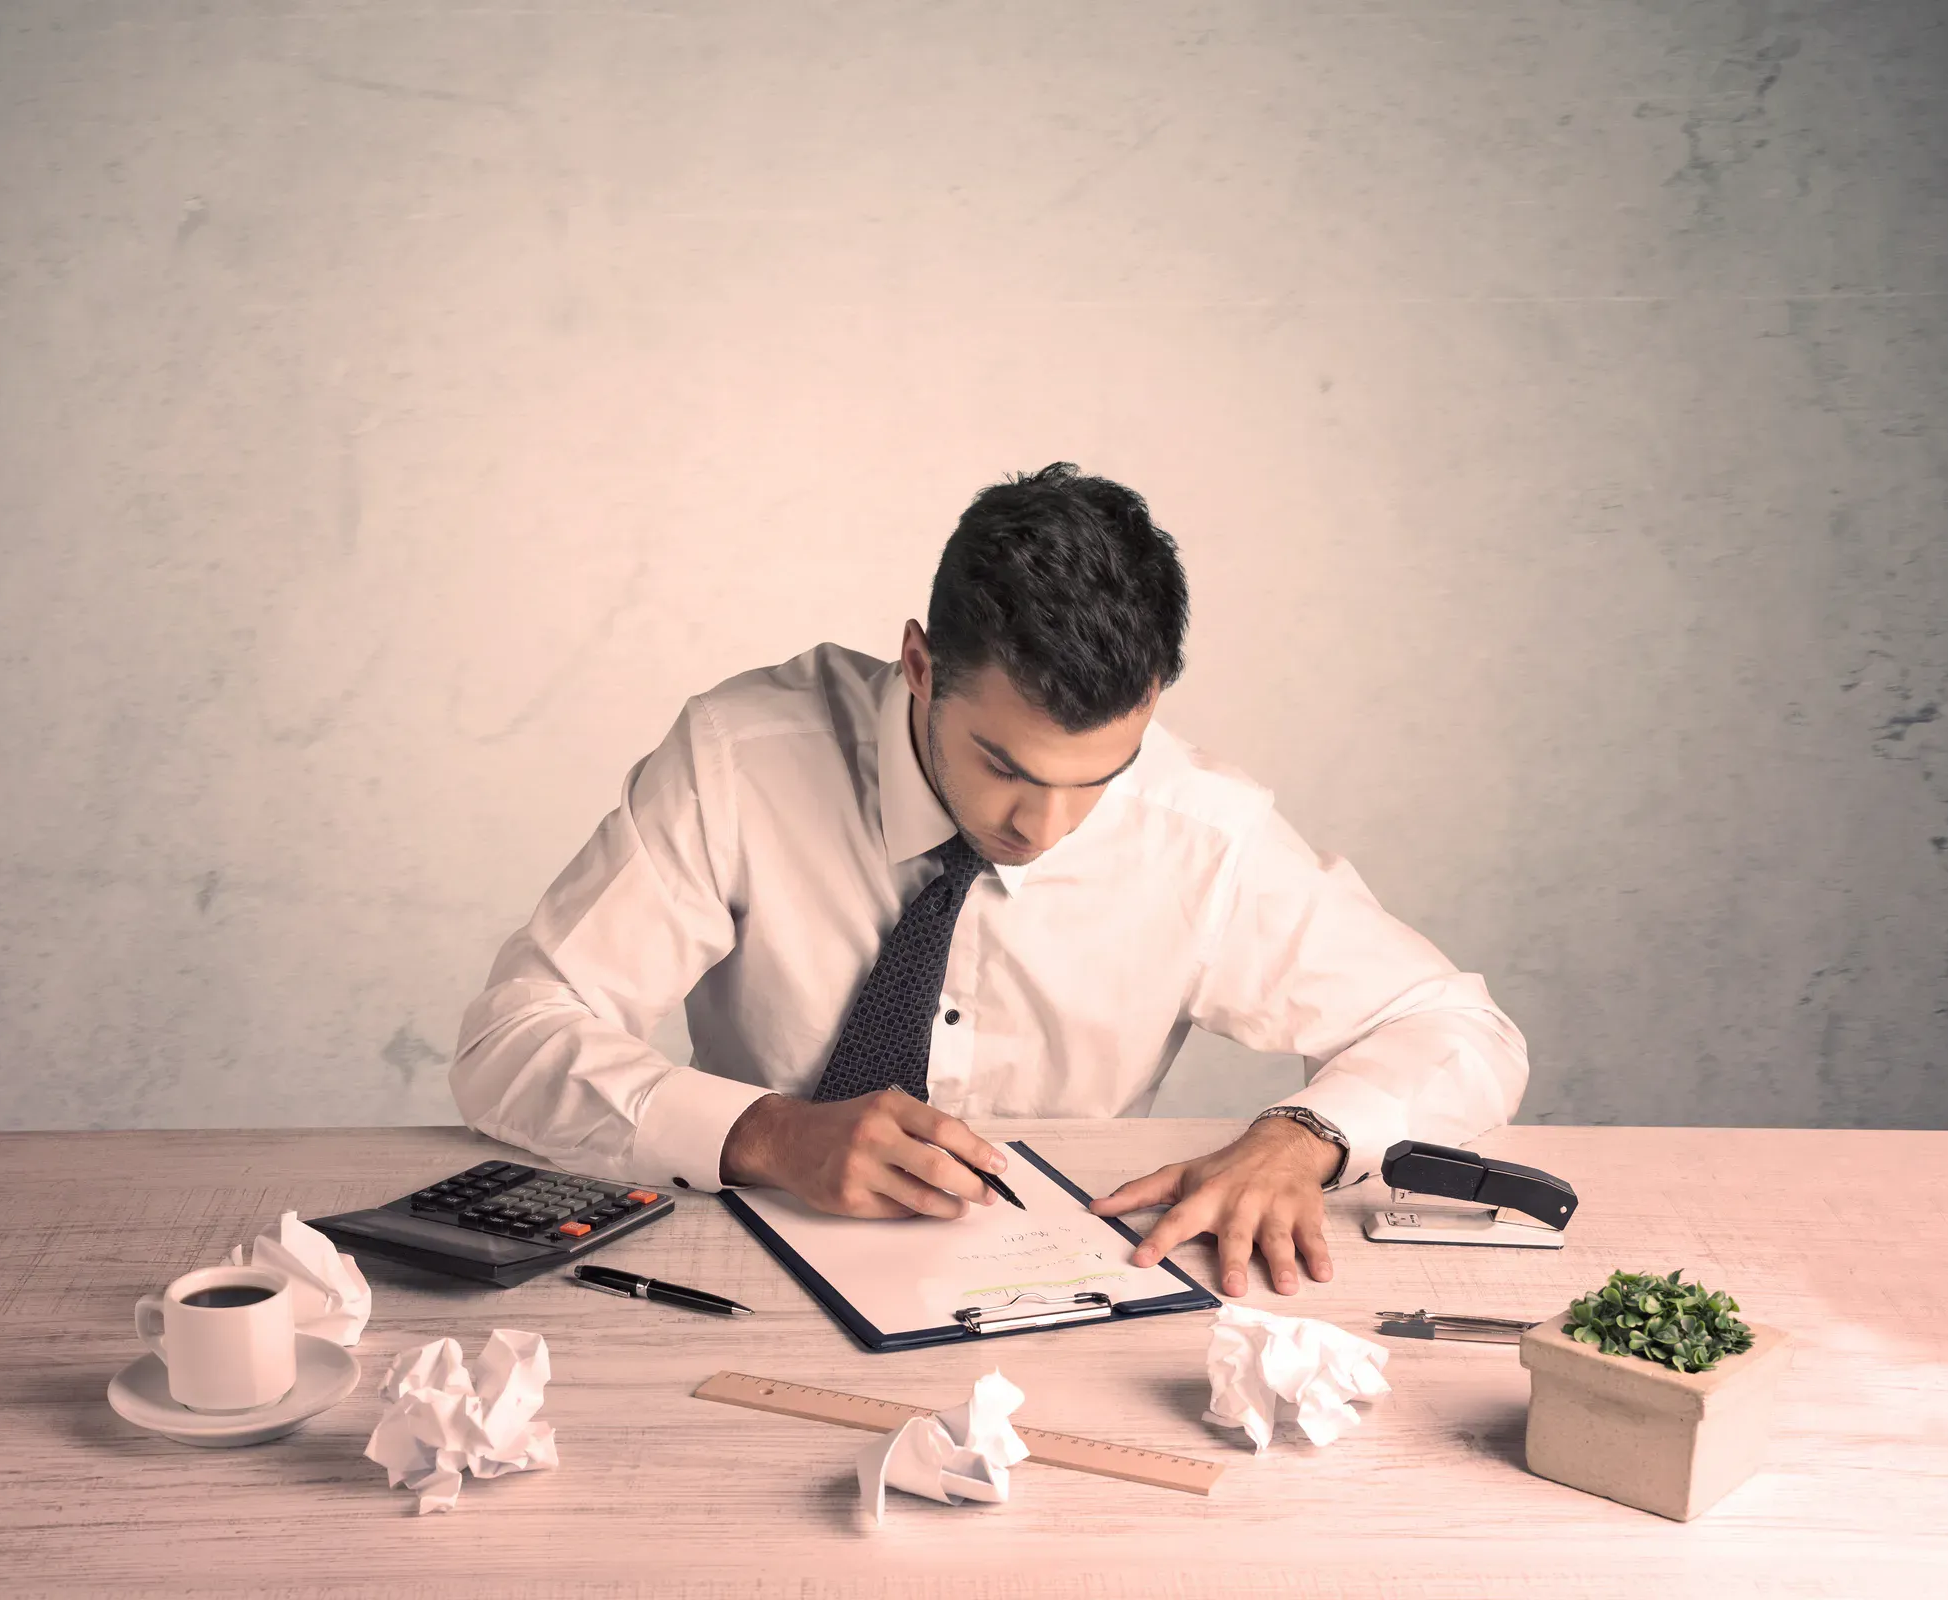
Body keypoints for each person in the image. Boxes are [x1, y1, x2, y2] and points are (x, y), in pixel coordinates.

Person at [452, 463, 1527, 1296]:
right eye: (1004, 765)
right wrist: (767, 1132)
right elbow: (512, 1039)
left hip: (1071, 1291)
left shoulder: (1201, 829)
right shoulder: (740, 760)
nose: (1043, 824)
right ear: (919, 665)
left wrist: (1306, 1135)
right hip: (741, 1261)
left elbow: (1458, 1028)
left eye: (1096, 776)